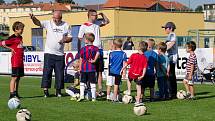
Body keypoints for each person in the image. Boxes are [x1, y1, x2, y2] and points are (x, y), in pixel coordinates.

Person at [30, 11, 72, 97]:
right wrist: (33, 18)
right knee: (47, 72)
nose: (55, 20)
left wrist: (64, 40)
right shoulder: (48, 23)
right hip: (49, 53)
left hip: (60, 54)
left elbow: (70, 38)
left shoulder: (66, 25)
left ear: (61, 18)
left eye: (57, 19)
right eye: (54, 18)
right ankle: (46, 91)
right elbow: (37, 23)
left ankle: (58, 91)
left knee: (59, 73)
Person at [78, 9, 110, 96]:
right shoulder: (84, 26)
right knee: (89, 70)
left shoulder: (97, 23)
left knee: (99, 71)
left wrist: (102, 14)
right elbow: (80, 38)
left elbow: (107, 21)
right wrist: (83, 49)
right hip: (89, 50)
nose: (96, 16)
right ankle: (89, 89)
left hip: (99, 49)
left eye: (96, 15)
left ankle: (99, 90)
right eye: (94, 15)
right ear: (89, 15)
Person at [0, 21, 25, 98]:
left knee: (18, 78)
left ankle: (16, 93)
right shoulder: (12, 38)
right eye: (21, 29)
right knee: (14, 77)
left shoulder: (20, 37)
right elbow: (1, 43)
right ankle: (11, 94)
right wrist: (10, 48)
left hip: (20, 61)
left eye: (23, 29)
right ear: (16, 29)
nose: (22, 30)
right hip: (15, 61)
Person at [121, 41, 148, 106]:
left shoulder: (133, 55)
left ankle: (129, 90)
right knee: (138, 88)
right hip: (139, 75)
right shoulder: (145, 58)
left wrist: (123, 68)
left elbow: (127, 63)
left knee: (129, 80)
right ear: (146, 50)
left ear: (138, 48)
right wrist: (143, 75)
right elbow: (144, 68)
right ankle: (138, 101)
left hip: (132, 73)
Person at [77, 33, 100, 102]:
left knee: (82, 82)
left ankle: (81, 96)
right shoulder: (95, 48)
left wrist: (80, 68)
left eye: (85, 39)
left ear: (87, 40)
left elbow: (81, 59)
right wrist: (94, 60)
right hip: (92, 69)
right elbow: (98, 53)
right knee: (92, 83)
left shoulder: (83, 49)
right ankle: (93, 98)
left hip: (84, 69)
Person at [162, 22, 178, 99]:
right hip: (170, 57)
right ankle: (172, 92)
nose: (165, 29)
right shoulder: (169, 35)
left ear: (171, 28)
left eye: (166, 28)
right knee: (170, 75)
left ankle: (172, 93)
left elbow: (171, 43)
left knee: (170, 75)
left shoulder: (172, 34)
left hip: (172, 57)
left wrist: (163, 50)